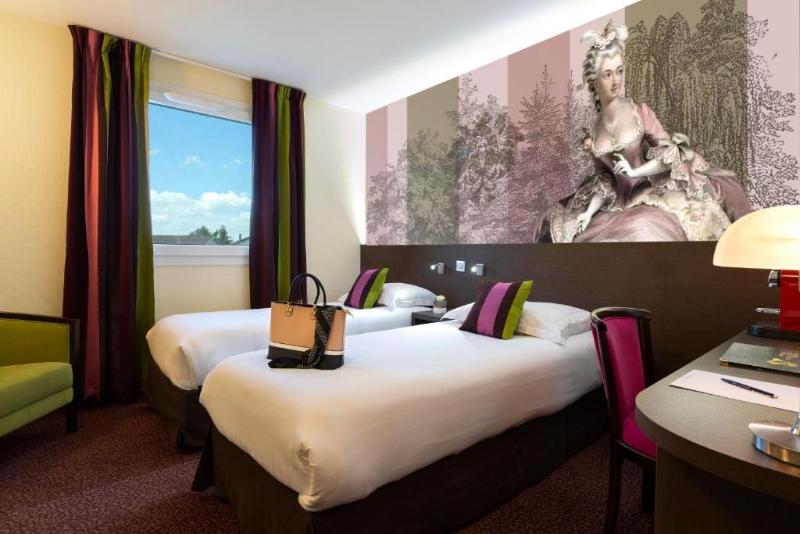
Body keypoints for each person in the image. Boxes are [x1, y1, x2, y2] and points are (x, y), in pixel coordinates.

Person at [535, 22, 750, 243]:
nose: (616, 81)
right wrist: (588, 213)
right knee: (560, 224)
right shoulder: (594, 131)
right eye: (607, 74)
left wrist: (634, 172)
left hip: (650, 189)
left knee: (644, 229)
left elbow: (670, 154)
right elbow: (605, 180)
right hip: (619, 202)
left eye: (619, 71)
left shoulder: (639, 112)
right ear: (594, 80)